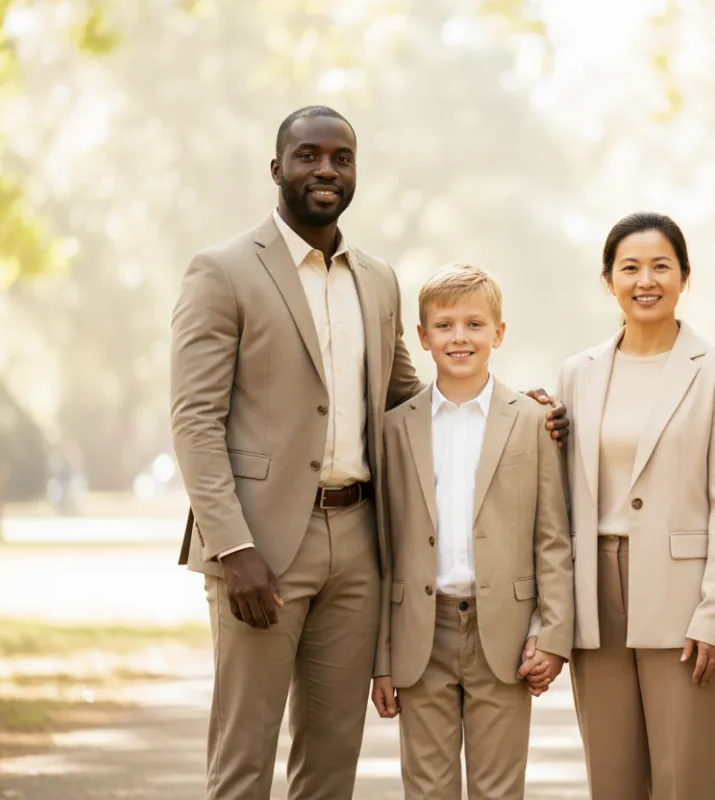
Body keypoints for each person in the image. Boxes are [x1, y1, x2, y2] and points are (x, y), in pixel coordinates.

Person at [169, 105, 567, 800]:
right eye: (308, 156)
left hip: (358, 546)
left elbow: (406, 397)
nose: (326, 170)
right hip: (259, 548)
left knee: (331, 763)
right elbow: (194, 420)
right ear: (278, 169)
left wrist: (515, 411)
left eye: (341, 158)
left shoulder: (376, 279)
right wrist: (233, 548)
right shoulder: (223, 272)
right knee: (244, 756)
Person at [556, 212, 715, 800]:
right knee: (611, 783)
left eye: (661, 266)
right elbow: (560, 496)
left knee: (684, 780)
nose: (646, 280)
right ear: (608, 280)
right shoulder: (576, 374)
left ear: (685, 277)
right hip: (596, 593)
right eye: (630, 267)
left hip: (684, 598)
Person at [371, 263, 573, 799]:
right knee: (427, 788)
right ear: (422, 337)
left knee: (499, 789)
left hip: (503, 636)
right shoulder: (396, 428)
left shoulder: (531, 422)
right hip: (422, 632)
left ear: (499, 333)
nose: (460, 337)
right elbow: (384, 550)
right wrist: (382, 659)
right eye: (445, 326)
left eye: (474, 324)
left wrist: (551, 634)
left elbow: (552, 538)